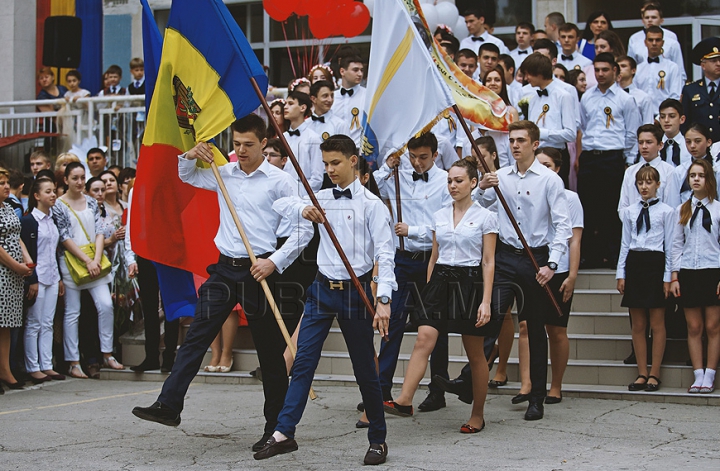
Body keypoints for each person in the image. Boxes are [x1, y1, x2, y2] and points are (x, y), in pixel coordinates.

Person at [132, 115, 312, 453]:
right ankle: (170, 405)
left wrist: (274, 261)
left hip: (260, 271)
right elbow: (187, 176)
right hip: (224, 269)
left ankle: (277, 429)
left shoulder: (280, 181)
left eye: (248, 145)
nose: (240, 151)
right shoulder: (223, 172)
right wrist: (189, 155)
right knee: (197, 335)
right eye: (236, 144)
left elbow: (304, 230)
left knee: (271, 355)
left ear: (263, 144)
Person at [255, 135, 395, 465]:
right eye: (326, 164)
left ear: (353, 161)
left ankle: (378, 438)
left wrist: (384, 299)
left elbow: (385, 254)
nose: (330, 170)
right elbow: (283, 209)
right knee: (303, 361)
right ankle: (284, 432)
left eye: (336, 163)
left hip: (356, 292)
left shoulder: (373, 206)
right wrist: (301, 211)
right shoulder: (319, 199)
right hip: (320, 290)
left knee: (365, 370)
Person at [450, 121, 571, 421]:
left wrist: (552, 264)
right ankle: (468, 379)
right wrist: (480, 188)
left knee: (536, 327)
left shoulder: (549, 180)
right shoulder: (499, 176)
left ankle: (537, 397)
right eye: (512, 141)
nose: (515, 145)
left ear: (534, 143)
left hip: (536, 258)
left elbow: (563, 225)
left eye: (521, 140)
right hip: (504, 256)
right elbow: (472, 206)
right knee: (487, 317)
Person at [383, 157, 499, 434]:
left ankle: (478, 415)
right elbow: (434, 257)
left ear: (473, 183)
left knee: (475, 354)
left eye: (458, 181)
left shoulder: (486, 216)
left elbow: (488, 261)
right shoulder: (439, 214)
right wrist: (429, 289)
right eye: (449, 180)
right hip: (439, 282)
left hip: (470, 283)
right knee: (424, 337)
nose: (452, 185)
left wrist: (485, 301)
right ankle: (404, 400)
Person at [374, 132, 451, 411]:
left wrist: (413, 230)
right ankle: (380, 389)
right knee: (392, 323)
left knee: (433, 327)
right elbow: (374, 190)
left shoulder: (445, 181)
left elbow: (445, 223)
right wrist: (387, 165)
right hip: (402, 259)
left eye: (424, 157)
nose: (417, 163)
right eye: (413, 157)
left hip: (434, 258)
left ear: (435, 154)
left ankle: (437, 391)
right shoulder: (397, 176)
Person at [52, 162, 122, 378]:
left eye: (82, 177)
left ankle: (107, 353)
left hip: (95, 260)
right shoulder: (59, 205)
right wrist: (86, 260)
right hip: (73, 262)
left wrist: (97, 258)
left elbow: (100, 230)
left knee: (106, 305)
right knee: (73, 312)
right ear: (66, 180)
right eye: (75, 178)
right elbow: (64, 236)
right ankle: (73, 361)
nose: (80, 182)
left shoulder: (92, 202)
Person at [578, 53, 641, 268]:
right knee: (588, 207)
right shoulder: (587, 96)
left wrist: (629, 161)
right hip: (590, 157)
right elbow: (584, 126)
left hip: (613, 157)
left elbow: (632, 133)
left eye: (605, 70)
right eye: (597, 70)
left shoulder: (625, 99)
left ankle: (613, 254)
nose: (601, 74)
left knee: (612, 207)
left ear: (616, 71)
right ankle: (591, 255)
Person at [617, 165, 674, 392]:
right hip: (635, 263)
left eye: (649, 182)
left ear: (658, 185)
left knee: (657, 322)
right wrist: (621, 273)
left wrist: (668, 277)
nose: (644, 187)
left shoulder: (667, 212)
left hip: (655, 263)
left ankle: (655, 372)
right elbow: (624, 244)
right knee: (638, 323)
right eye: (640, 183)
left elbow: (670, 246)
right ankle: (641, 372)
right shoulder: (630, 211)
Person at [670, 158, 720, 394]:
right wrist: (674, 276)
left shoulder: (718, 209)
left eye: (700, 175)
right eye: (692, 176)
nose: (696, 179)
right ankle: (697, 374)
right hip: (689, 271)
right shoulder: (683, 209)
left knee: (712, 326)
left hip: (712, 271)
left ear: (708, 179)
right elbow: (676, 245)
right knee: (694, 326)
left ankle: (710, 374)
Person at [21, 177, 65, 383]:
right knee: (34, 322)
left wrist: (59, 278)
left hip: (52, 276)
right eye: (48, 191)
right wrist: (32, 278)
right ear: (36, 196)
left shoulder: (52, 219)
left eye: (54, 191)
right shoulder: (29, 221)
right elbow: (28, 252)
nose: (53, 195)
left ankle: (47, 364)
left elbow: (54, 251)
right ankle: (33, 366)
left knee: (48, 322)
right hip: (37, 277)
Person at [522, 53, 578, 187]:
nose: (526, 78)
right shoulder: (533, 99)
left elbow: (571, 134)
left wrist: (540, 133)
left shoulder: (564, 96)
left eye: (528, 73)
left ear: (539, 73)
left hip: (556, 156)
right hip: (535, 156)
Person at [0, 167, 33, 393]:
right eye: (1, 183)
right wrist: (16, 266)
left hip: (14, 275)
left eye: (6, 183)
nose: (5, 187)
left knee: (7, 325)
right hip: (3, 272)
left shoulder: (8, 207)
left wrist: (27, 261)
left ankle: (5, 369)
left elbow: (17, 237)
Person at [619, 124, 676, 211]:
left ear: (660, 145)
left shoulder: (669, 171)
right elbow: (623, 206)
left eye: (649, 142)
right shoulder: (630, 171)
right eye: (641, 142)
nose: (644, 146)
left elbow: (671, 205)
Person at [665, 124, 720, 209]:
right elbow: (673, 204)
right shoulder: (680, 171)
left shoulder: (717, 170)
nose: (692, 146)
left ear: (708, 142)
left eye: (697, 141)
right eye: (688, 142)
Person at [627, 2, 685, 81]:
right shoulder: (634, 38)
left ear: (661, 20)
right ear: (642, 20)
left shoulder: (671, 37)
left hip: (666, 82)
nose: (650, 20)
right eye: (647, 18)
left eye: (653, 17)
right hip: (641, 83)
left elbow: (679, 68)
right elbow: (629, 66)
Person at [283, 91, 324, 192]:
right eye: (285, 103)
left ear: (303, 108)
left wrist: (297, 191)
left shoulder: (313, 138)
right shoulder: (282, 138)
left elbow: (317, 179)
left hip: (303, 196)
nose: (285, 107)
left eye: (291, 103)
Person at [634, 26, 682, 113]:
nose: (654, 43)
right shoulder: (638, 69)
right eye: (651, 40)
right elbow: (634, 94)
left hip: (664, 117)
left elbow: (675, 96)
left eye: (658, 40)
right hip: (641, 116)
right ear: (645, 42)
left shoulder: (672, 67)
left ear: (663, 42)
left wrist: (660, 118)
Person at [681, 37, 720, 143]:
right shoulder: (690, 89)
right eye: (713, 61)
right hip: (699, 147)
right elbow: (685, 121)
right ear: (703, 65)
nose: (718, 64)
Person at [333, 55, 366, 149]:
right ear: (342, 71)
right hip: (335, 150)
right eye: (355, 70)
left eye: (362, 70)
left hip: (359, 150)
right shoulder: (332, 97)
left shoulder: (368, 96)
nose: (360, 74)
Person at [617, 56, 655, 127]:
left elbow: (648, 124)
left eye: (623, 66)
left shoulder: (644, 97)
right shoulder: (610, 95)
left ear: (633, 70)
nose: (619, 69)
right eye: (617, 66)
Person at [658, 99, 692, 167]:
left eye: (672, 116)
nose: (666, 120)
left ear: (682, 119)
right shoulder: (655, 146)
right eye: (662, 117)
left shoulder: (689, 146)